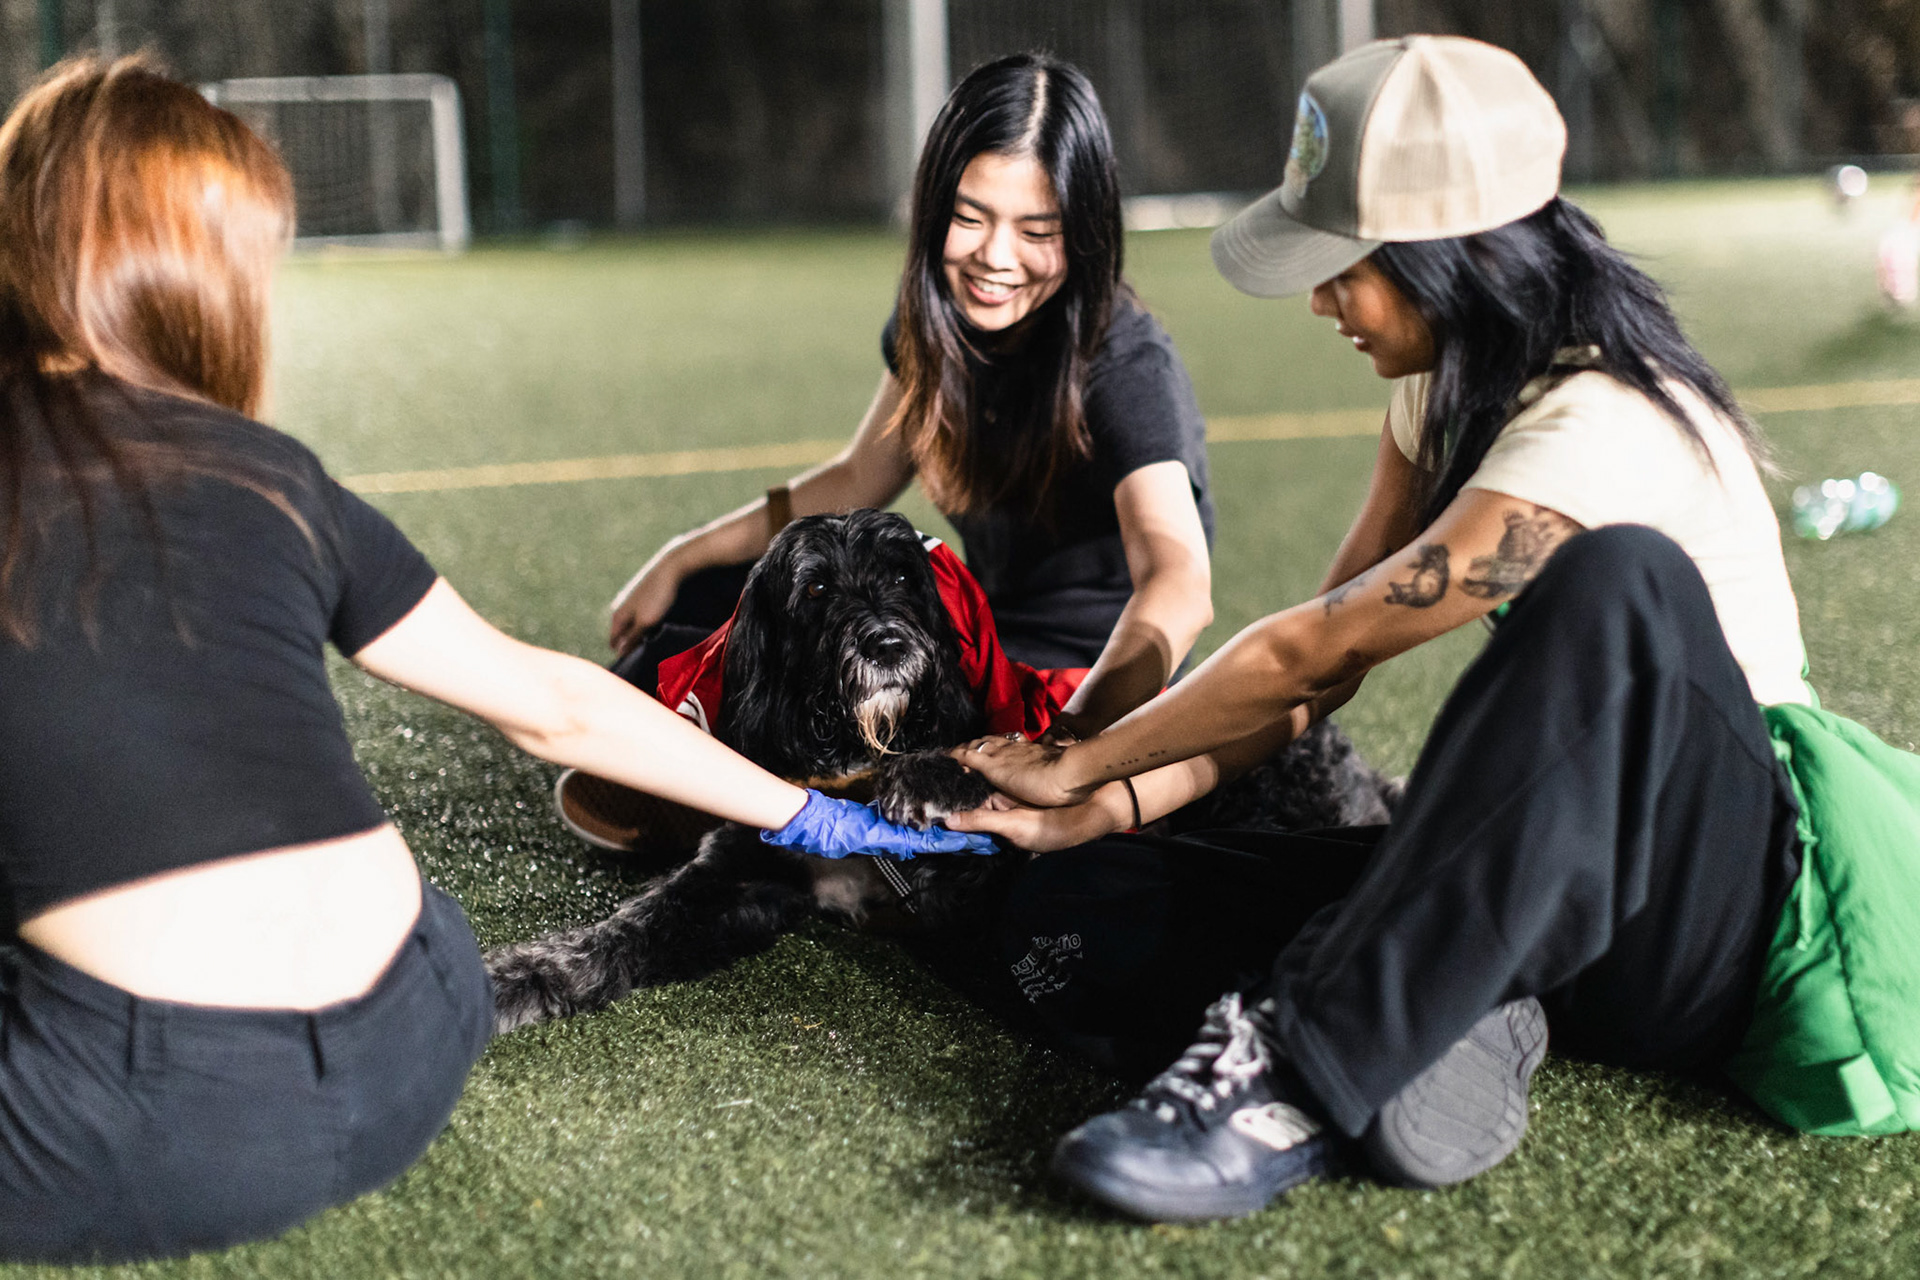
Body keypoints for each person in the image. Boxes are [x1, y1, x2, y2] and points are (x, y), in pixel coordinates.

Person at [0, 58, 984, 1264]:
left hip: (154, 1118)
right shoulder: (279, 481)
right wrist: (816, 818)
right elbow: (557, 703)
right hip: (414, 1031)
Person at [947, 35, 1872, 1222]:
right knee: (1090, 892)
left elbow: (1313, 645)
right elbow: (1311, 685)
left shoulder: (1610, 418)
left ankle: (1293, 1070)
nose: (1325, 298)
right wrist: (1102, 810)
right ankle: (1451, 1006)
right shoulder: (1442, 384)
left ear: (1457, 258)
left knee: (1619, 583)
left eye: (1350, 265)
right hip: (1556, 889)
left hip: (1721, 921)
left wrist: (1080, 754)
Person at [562, 53, 1217, 846]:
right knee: (732, 594)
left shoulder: (1124, 364)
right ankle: (693, 756)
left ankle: (724, 783)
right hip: (979, 623)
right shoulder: (939, 329)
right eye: (971, 217)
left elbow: (1179, 582)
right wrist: (683, 554)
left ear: (1082, 236)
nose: (997, 257)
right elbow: (853, 480)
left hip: (1076, 672)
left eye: (1037, 231)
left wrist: (1071, 748)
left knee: (789, 666)